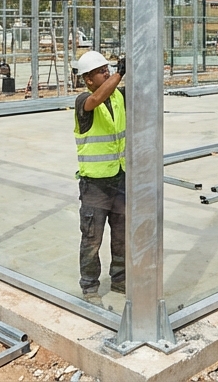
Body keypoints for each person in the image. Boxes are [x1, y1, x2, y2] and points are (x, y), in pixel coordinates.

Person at [72, 50, 126, 305]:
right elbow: (95, 99)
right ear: (89, 79)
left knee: (122, 235)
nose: (107, 72)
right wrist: (121, 72)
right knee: (92, 238)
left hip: (120, 177)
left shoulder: (117, 98)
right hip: (95, 185)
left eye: (108, 68)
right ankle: (90, 287)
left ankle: (121, 279)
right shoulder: (85, 100)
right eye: (101, 71)